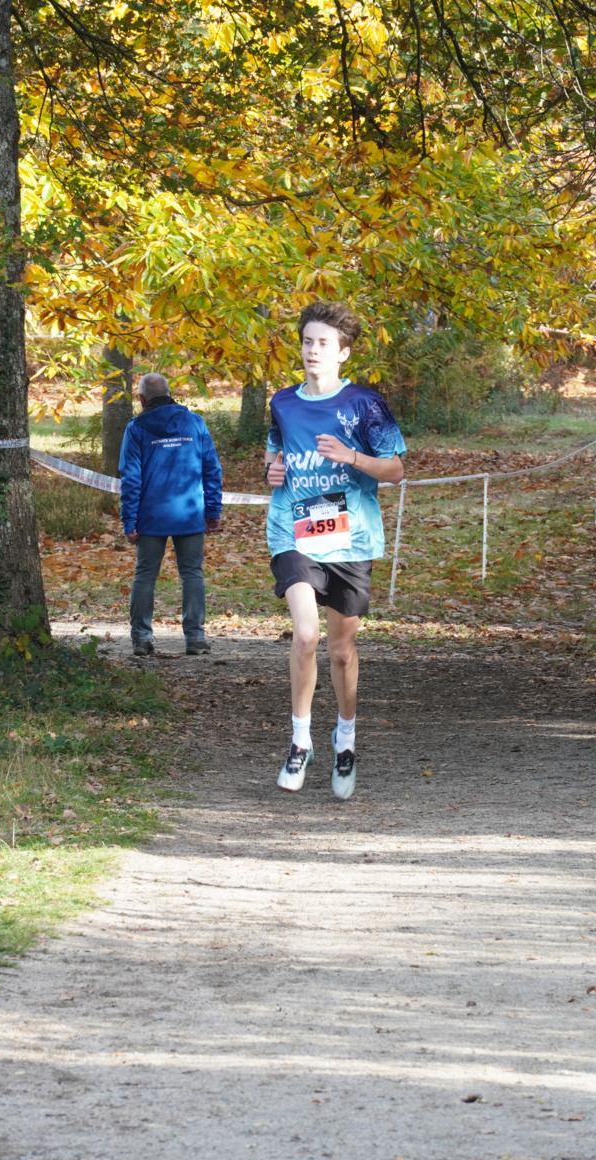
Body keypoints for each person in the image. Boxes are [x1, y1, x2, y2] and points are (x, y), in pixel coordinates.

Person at [264, 301, 406, 798]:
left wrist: (351, 456)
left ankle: (344, 740)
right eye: (307, 342)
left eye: (323, 343)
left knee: (341, 651)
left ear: (343, 352)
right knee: (306, 634)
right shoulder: (283, 402)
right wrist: (271, 471)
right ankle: (300, 740)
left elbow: (395, 470)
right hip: (294, 531)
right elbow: (274, 453)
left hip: (350, 537)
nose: (313, 351)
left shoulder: (366, 404)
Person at [119, 372, 222, 656]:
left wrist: (129, 520)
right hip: (189, 513)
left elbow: (131, 477)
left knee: (145, 575)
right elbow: (212, 469)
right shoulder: (195, 423)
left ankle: (141, 639)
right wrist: (213, 510)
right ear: (170, 394)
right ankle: (195, 638)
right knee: (192, 574)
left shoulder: (136, 428)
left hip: (150, 516)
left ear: (142, 399)